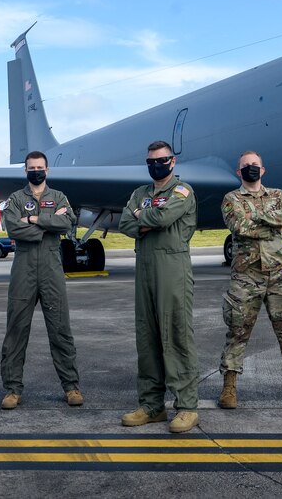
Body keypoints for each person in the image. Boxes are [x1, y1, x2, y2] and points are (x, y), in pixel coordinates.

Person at [217, 151, 282, 409]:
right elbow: (239, 226)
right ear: (238, 172)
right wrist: (270, 221)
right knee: (238, 331)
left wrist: (256, 217)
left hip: (279, 275)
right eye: (245, 166)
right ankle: (229, 387)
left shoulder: (279, 195)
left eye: (255, 165)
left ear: (262, 170)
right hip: (246, 275)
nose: (250, 169)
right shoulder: (231, 199)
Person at [118, 141, 200, 434]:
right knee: (147, 336)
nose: (156, 164)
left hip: (172, 268)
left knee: (175, 334)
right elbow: (125, 224)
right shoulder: (139, 194)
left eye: (162, 159)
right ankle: (151, 406)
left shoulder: (182, 191)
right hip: (145, 268)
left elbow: (164, 218)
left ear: (172, 161)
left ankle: (187, 406)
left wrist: (143, 217)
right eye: (151, 160)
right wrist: (143, 219)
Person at [0, 151, 82, 409]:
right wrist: (47, 226)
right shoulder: (15, 199)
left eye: (40, 167)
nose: (36, 171)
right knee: (16, 329)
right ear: (25, 171)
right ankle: (13, 389)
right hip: (23, 268)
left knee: (60, 330)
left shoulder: (58, 197)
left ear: (47, 170)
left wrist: (34, 219)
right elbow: (11, 227)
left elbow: (67, 222)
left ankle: (71, 386)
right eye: (31, 167)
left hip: (51, 268)